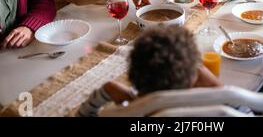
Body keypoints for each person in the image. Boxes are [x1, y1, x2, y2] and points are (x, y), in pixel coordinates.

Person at [77, 26, 223, 116]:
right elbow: (243, 108)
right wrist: (220, 89)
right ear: (193, 79)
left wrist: (105, 92)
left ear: (131, 74)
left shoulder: (116, 114)